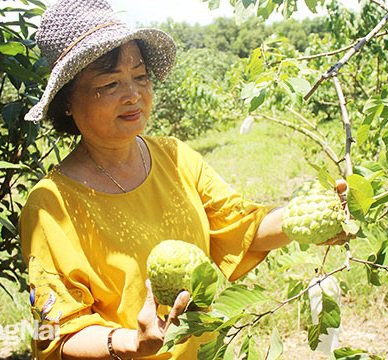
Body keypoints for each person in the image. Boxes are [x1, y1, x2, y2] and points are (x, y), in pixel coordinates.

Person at [19, 0, 349, 359]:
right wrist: (128, 342)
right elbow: (53, 333)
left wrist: (312, 216)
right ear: (67, 100)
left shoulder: (174, 156)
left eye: (141, 76)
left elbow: (241, 226)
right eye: (110, 82)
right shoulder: (51, 205)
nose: (134, 94)